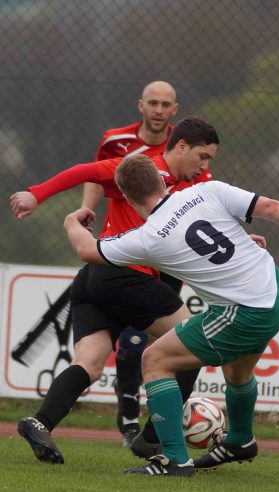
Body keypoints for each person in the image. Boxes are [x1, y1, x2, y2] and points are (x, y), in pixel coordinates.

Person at [63, 154, 279, 476]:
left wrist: (71, 222)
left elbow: (87, 250)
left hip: (246, 311)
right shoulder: (205, 191)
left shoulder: (148, 238)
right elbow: (271, 207)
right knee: (238, 372)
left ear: (126, 197)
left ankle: (174, 460)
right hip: (275, 290)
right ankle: (240, 441)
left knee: (154, 360)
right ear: (162, 180)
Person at [10, 117, 220, 465]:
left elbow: (206, 221)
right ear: (181, 147)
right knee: (196, 344)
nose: (205, 165)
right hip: (127, 277)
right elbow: (84, 171)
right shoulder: (140, 169)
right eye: (202, 156)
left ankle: (40, 422)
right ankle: (152, 439)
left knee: (89, 363)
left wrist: (238, 238)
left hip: (95, 278)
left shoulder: (190, 183)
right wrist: (37, 194)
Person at [85, 81, 191, 448]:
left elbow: (200, 192)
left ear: (174, 109)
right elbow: (95, 175)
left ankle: (155, 422)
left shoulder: (183, 146)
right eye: (153, 103)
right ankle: (130, 415)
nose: (159, 110)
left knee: (163, 343)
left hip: (169, 257)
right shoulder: (116, 140)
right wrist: (86, 210)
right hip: (130, 250)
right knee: (131, 338)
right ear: (141, 105)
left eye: (165, 104)